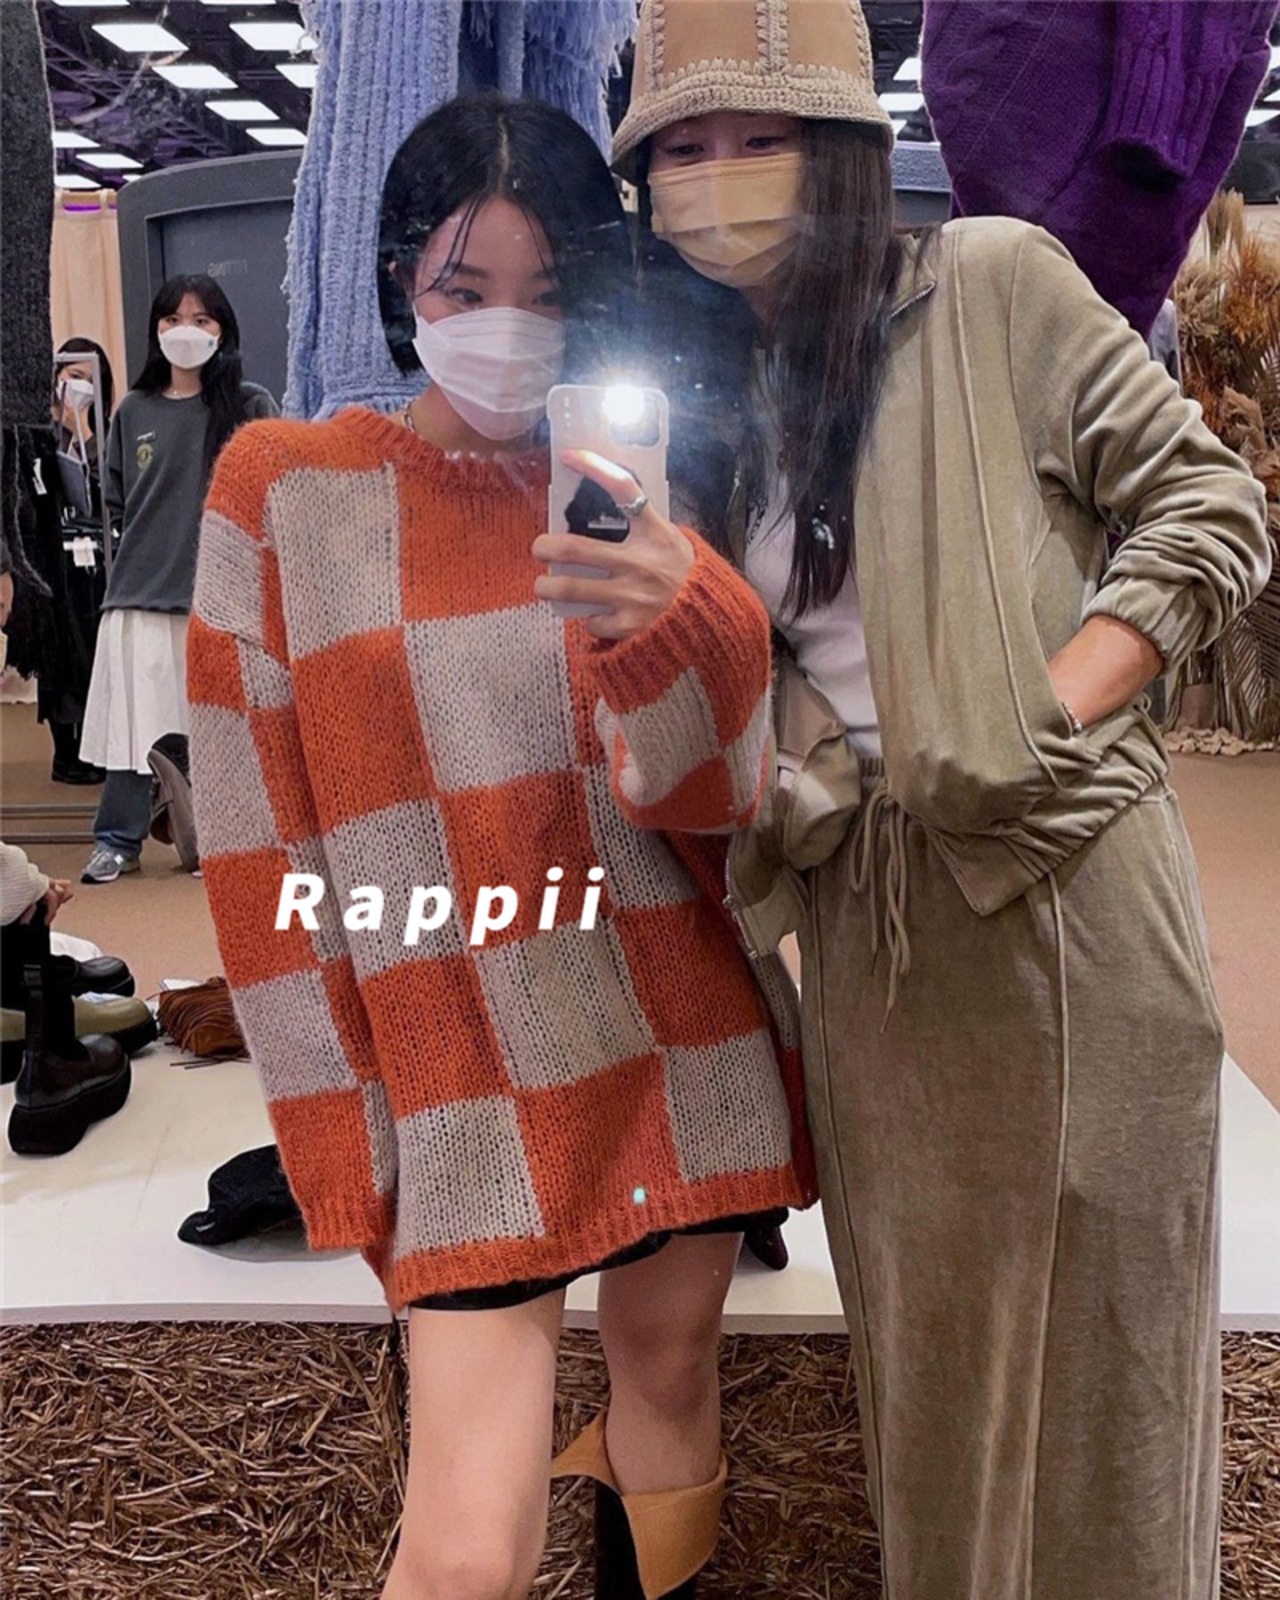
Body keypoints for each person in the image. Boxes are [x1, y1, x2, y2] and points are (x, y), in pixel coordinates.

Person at [531, 3, 1274, 1598]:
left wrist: (1038, 711)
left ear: (848, 152)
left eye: (760, 138)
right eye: (681, 151)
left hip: (1067, 904)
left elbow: (1209, 507)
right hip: (872, 941)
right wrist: (656, 618)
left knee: (1105, 1391)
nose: (717, 178)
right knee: (929, 1387)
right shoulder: (720, 403)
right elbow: (727, 722)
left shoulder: (994, 285)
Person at [187, 93, 814, 1600]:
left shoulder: (633, 482)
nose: (504, 329)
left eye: (547, 290)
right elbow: (260, 858)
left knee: (669, 1393)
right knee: (468, 1547)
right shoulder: (284, 490)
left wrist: (687, 611)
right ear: (401, 280)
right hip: (460, 1070)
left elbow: (716, 799)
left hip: (677, 1030)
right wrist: (335, 1139)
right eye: (463, 289)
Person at [79, 276, 278, 884]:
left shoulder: (250, 405)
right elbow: (116, 499)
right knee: (132, 726)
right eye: (172, 319)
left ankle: (219, 842)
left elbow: (274, 492)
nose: (185, 331)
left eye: (201, 319)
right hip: (139, 590)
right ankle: (118, 840)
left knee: (218, 728)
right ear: (155, 331)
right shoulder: (134, 410)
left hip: (220, 598)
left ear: (223, 331)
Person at [38, 337, 117, 785]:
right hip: (51, 558)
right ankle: (64, 751)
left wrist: (82, 427)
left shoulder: (106, 435)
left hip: (97, 559)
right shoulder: (39, 432)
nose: (79, 386)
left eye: (90, 380)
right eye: (73, 377)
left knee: (92, 646)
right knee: (58, 650)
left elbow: (103, 491)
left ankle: (94, 743)